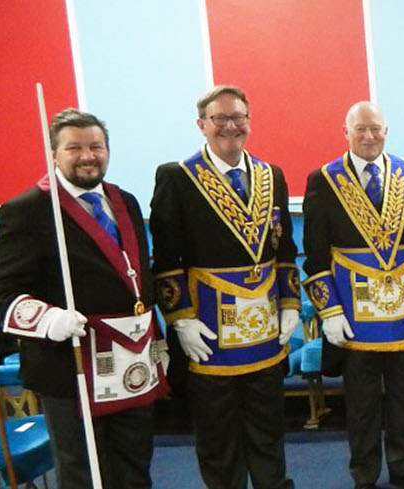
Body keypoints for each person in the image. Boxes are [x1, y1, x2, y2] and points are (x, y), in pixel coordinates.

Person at [0, 108, 168, 488]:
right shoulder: (27, 210)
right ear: (54, 154)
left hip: (132, 361)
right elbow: (3, 295)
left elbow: (134, 275)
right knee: (84, 474)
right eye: (75, 148)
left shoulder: (125, 201)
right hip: (71, 366)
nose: (88, 156)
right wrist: (48, 319)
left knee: (135, 467)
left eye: (96, 146)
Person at [151, 85, 299, 489]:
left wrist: (290, 303)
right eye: (220, 118)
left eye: (238, 117)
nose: (230, 126)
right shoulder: (178, 177)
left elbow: (283, 247)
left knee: (268, 426)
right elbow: (165, 258)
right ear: (202, 125)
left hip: (264, 325)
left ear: (249, 122)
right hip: (209, 328)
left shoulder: (272, 175)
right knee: (218, 434)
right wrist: (180, 319)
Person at [302, 101, 404, 489]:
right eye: (361, 129)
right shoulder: (324, 179)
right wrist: (328, 310)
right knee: (362, 404)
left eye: (376, 128)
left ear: (387, 130)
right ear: (345, 132)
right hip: (354, 314)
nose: (369, 136)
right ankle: (364, 475)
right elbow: (315, 252)